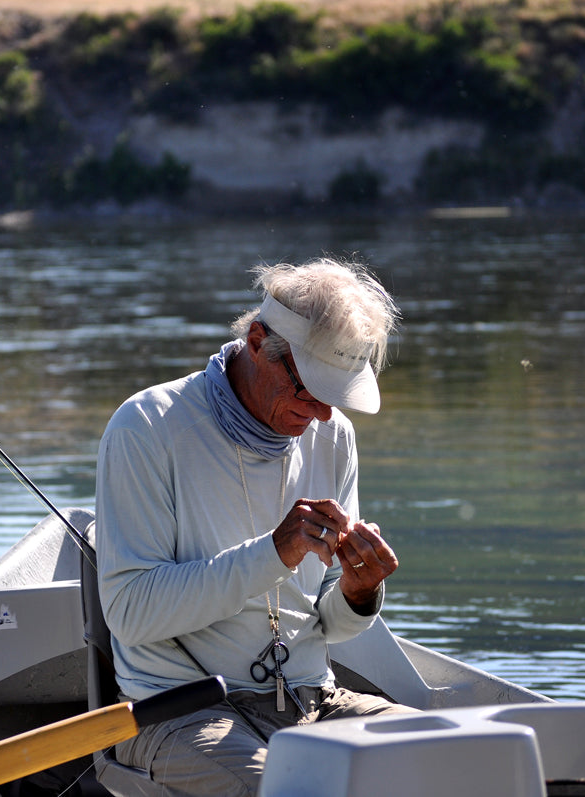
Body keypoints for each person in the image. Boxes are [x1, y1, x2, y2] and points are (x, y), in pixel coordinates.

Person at [94, 257, 416, 796]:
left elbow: (330, 627)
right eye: (308, 388)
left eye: (334, 396)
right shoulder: (147, 427)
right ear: (258, 339)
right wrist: (273, 554)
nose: (320, 415)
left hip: (316, 699)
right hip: (178, 711)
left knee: (451, 758)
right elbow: (130, 613)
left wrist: (360, 594)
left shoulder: (334, 437)